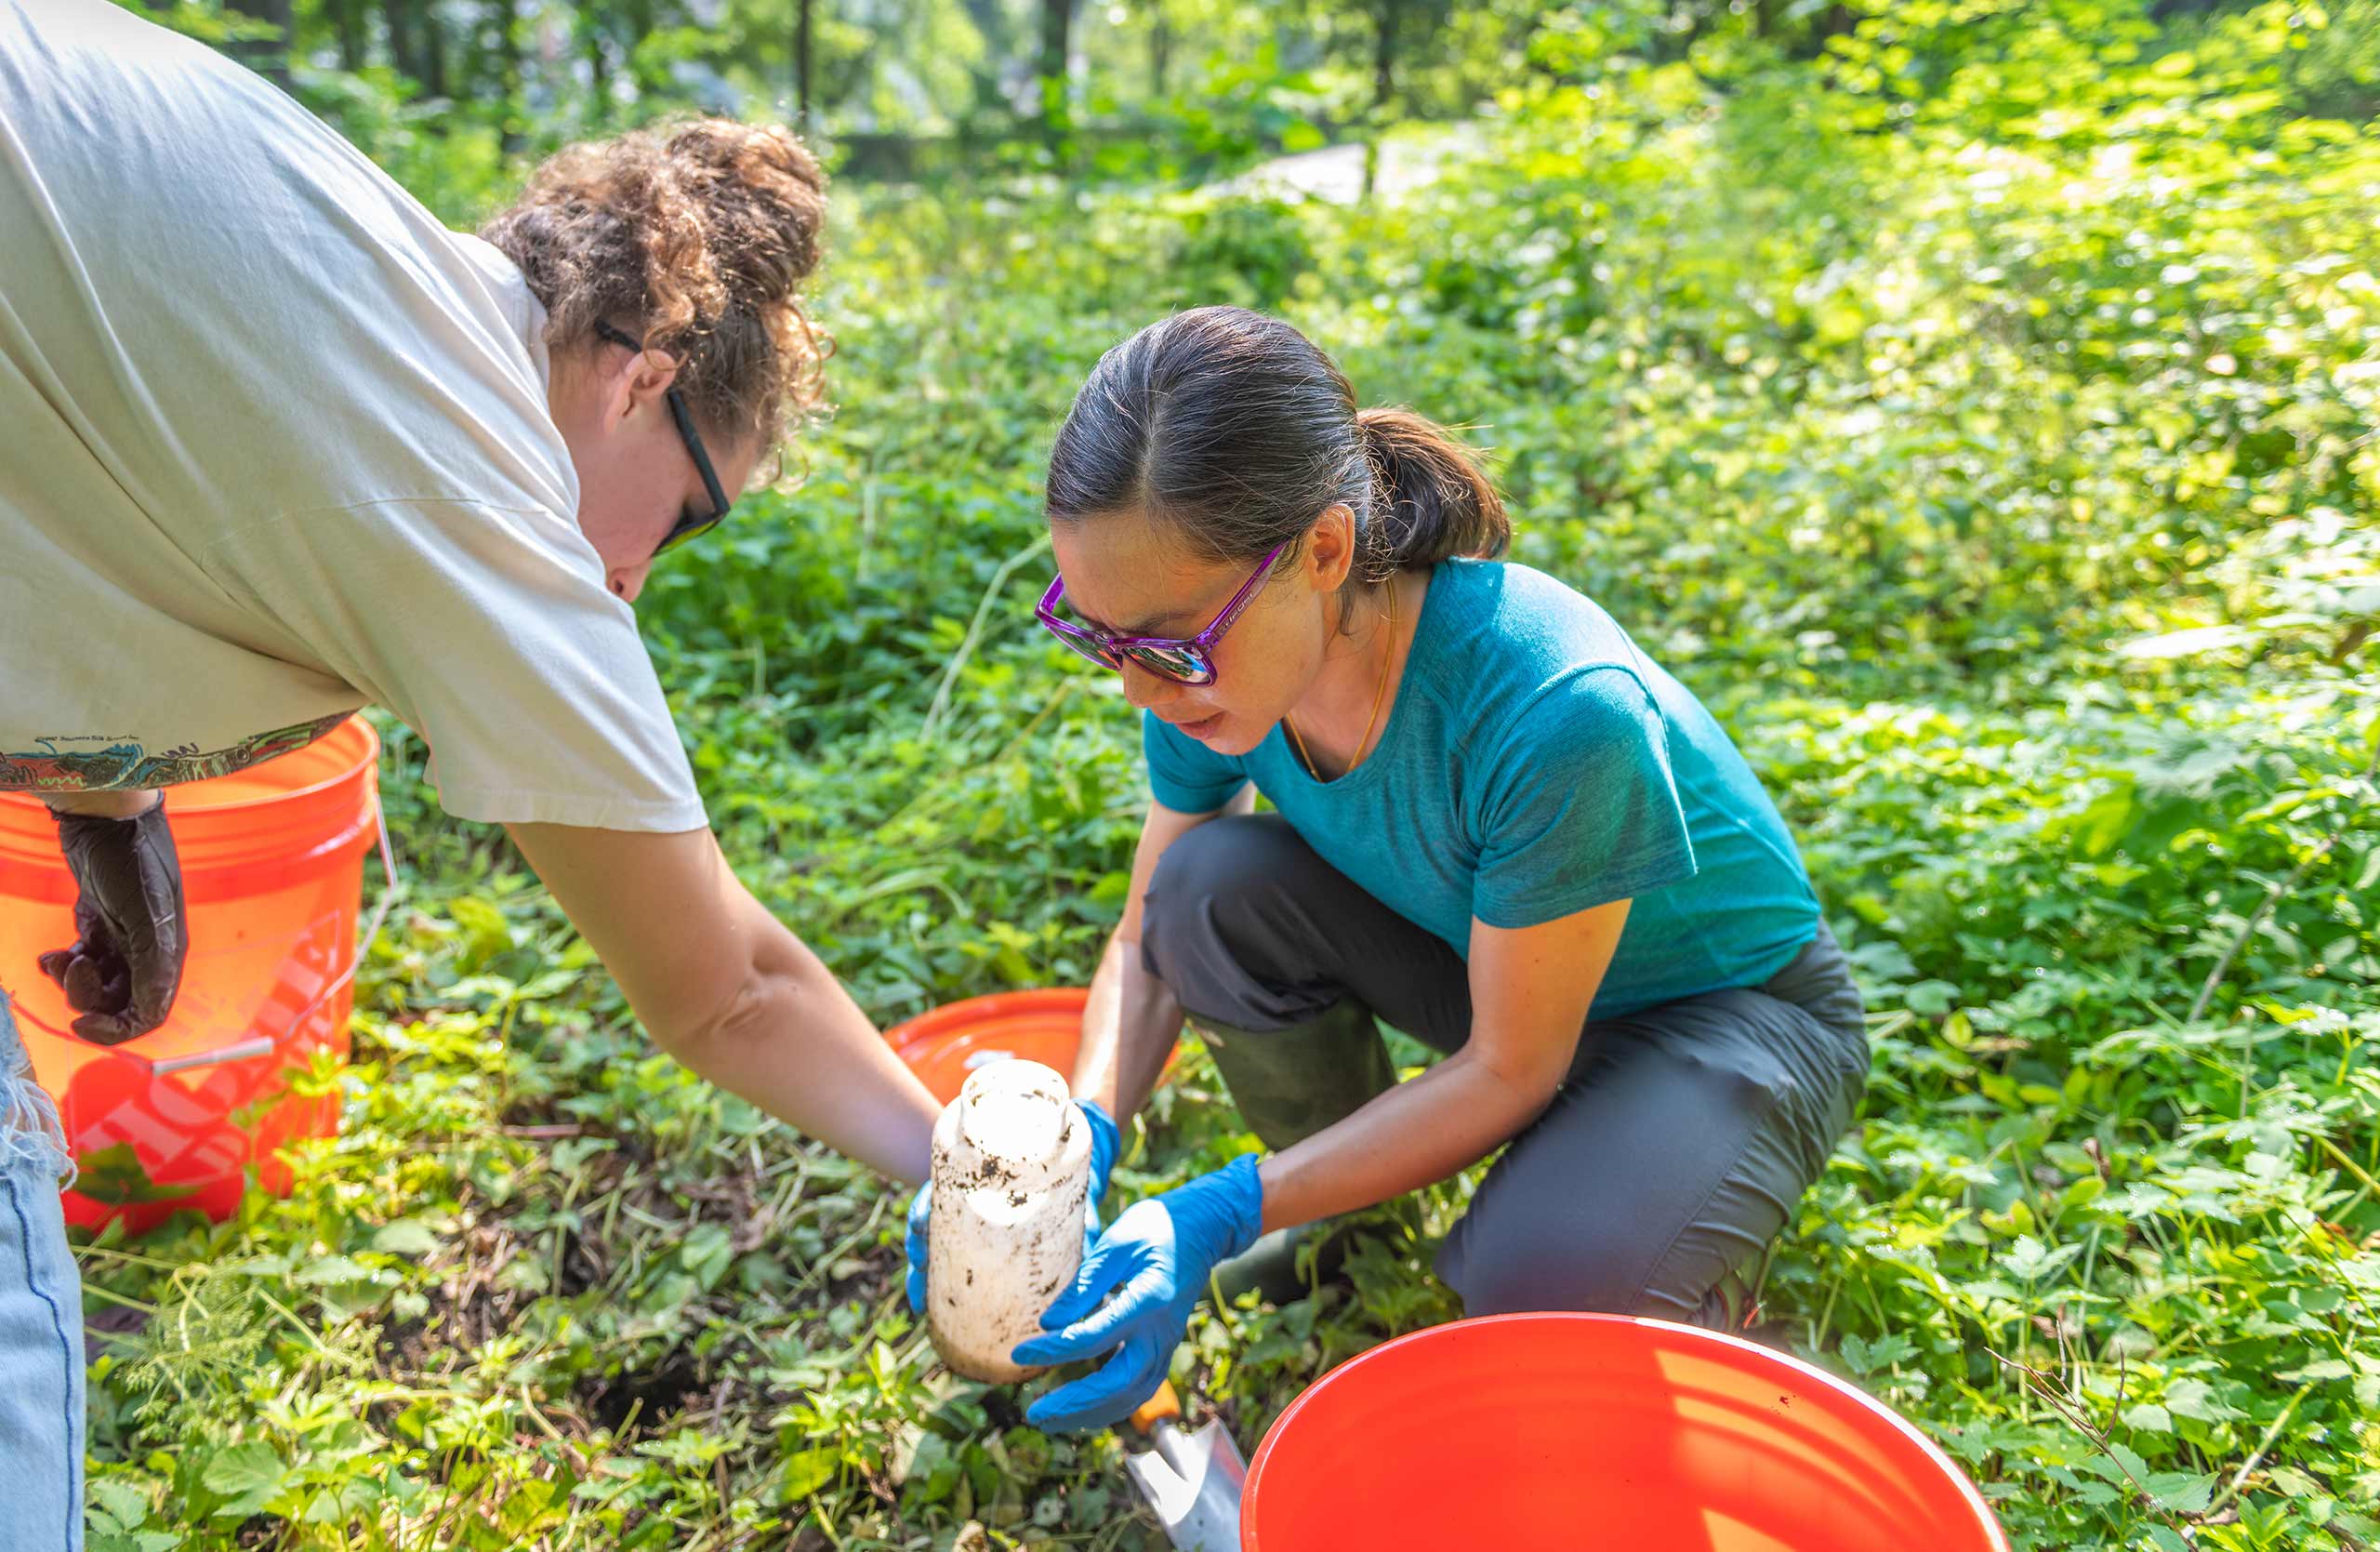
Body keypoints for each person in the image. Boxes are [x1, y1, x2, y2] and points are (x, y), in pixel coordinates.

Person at [0, 2, 943, 1542]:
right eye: (691, 519)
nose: (637, 579)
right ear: (639, 382)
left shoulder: (375, 267)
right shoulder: (474, 458)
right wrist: (974, 1172)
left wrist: (107, 795)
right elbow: (725, 988)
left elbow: (82, 430)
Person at [909, 305, 1871, 1433]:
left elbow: (1513, 1068)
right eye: (1101, 639)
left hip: (1721, 1015)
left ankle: (1626, 1188)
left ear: (1322, 551)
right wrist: (1080, 1139)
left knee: (1535, 1294)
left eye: (1163, 645)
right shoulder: (1213, 671)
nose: (1137, 688)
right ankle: (1342, 1226)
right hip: (1491, 965)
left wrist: (1224, 1206)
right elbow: (1144, 935)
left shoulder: (1559, 710)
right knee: (1203, 889)